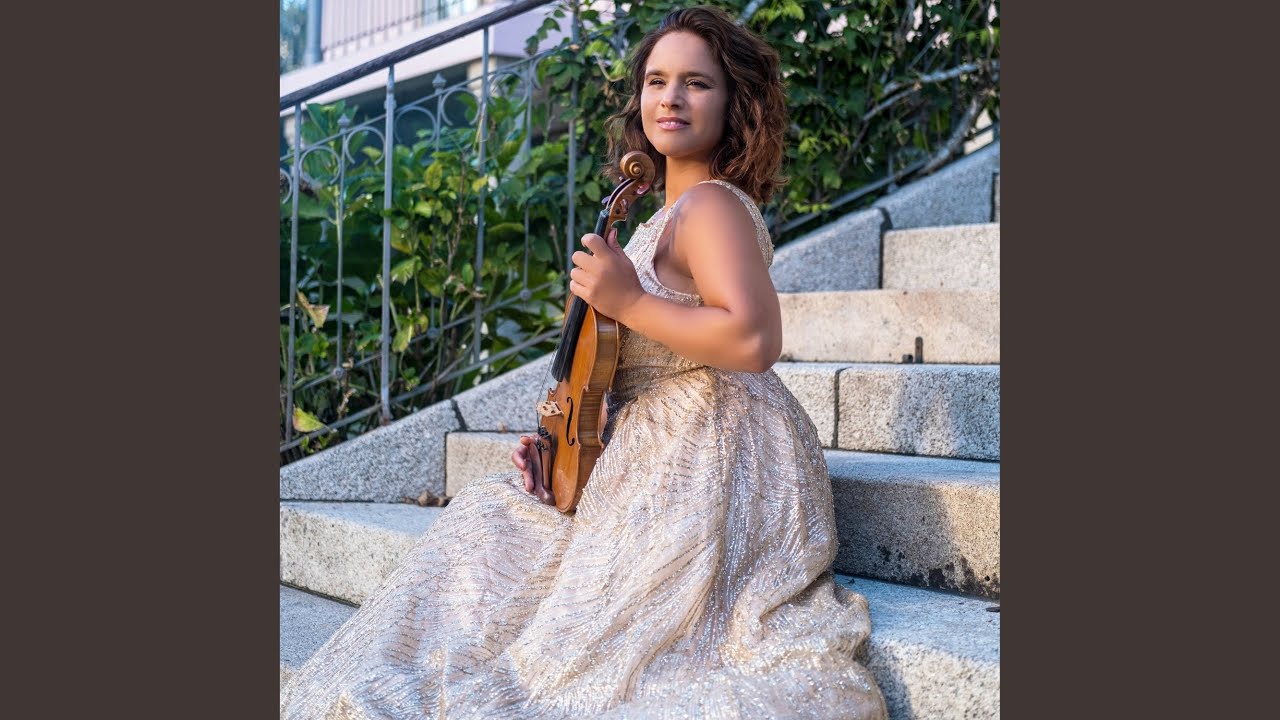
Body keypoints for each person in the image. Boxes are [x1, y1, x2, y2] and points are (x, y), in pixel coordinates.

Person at [281, 6, 888, 719]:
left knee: (537, 605)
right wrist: (571, 451)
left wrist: (627, 299)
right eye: (656, 81)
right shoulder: (667, 214)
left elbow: (753, 341)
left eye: (697, 83)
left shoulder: (712, 208)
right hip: (664, 441)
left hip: (717, 449)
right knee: (494, 522)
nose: (671, 97)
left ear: (736, 103)